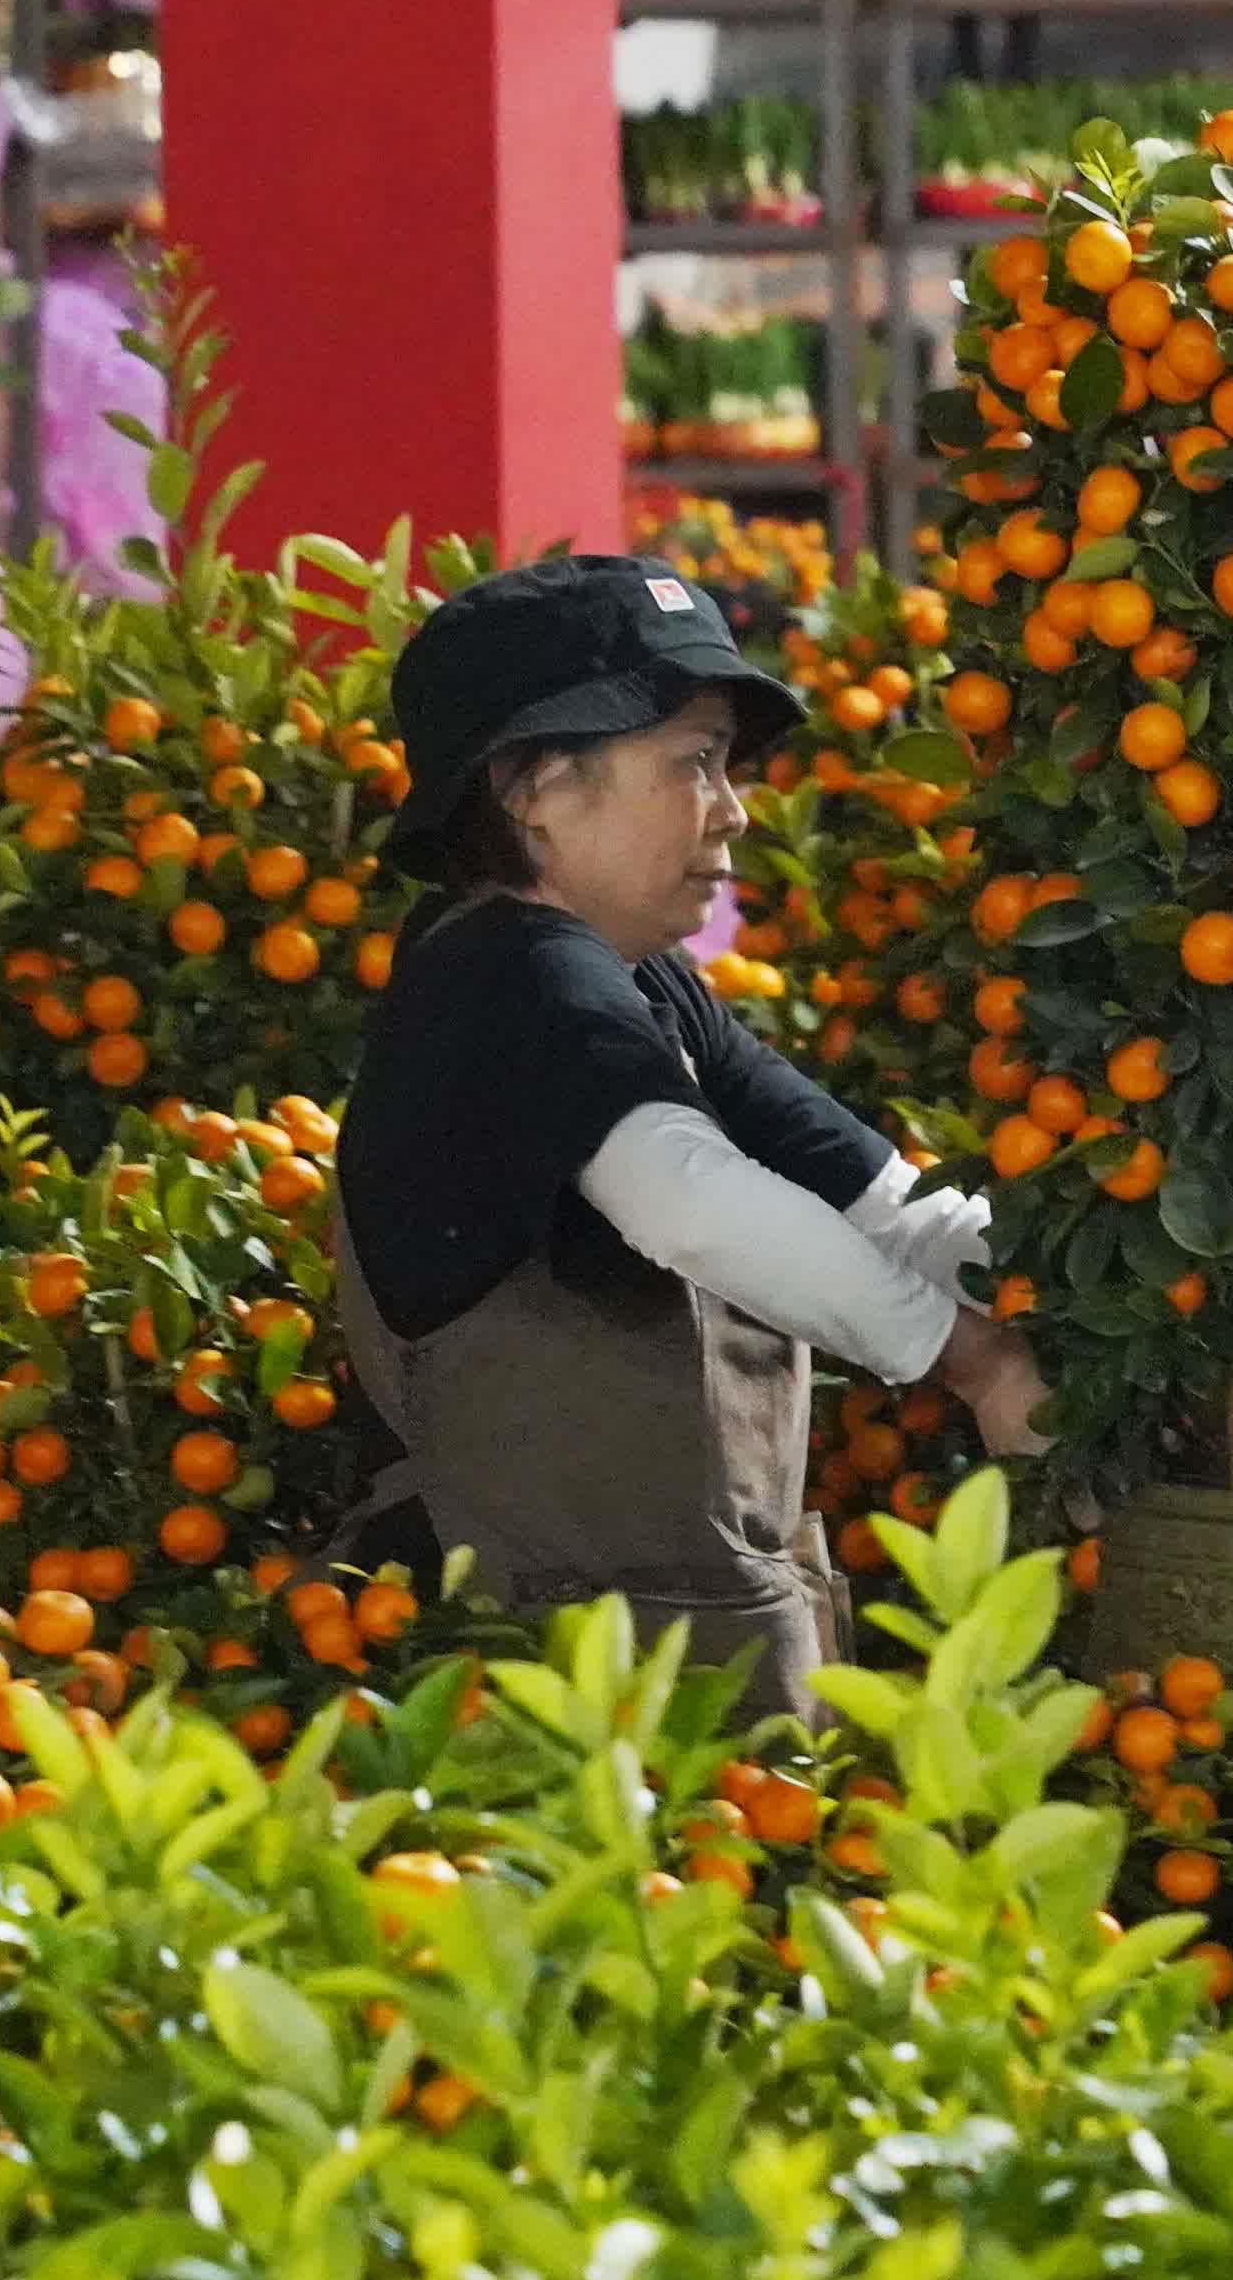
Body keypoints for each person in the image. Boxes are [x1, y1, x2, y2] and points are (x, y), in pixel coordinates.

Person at [334, 557, 1042, 1716]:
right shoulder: (511, 979)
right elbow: (691, 1203)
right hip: (543, 1681)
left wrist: (1084, 1316)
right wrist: (973, 1359)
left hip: (664, 1651)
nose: (734, 808)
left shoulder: (641, 984)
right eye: (694, 762)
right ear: (533, 786)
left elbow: (886, 1205)